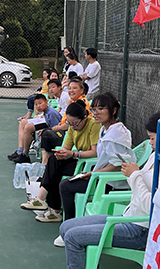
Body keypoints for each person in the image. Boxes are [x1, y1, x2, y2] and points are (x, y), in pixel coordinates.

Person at [58, 111, 160, 269]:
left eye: (153, 138)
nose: (150, 143)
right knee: (66, 227)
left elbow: (151, 207)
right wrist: (132, 174)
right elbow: (140, 187)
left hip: (140, 229)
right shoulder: (157, 156)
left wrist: (134, 175)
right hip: (128, 217)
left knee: (73, 237)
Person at [55, 92, 135, 223]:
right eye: (94, 109)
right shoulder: (105, 129)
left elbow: (118, 165)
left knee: (65, 186)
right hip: (101, 176)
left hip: (110, 183)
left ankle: (69, 223)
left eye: (101, 109)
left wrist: (93, 174)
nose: (96, 113)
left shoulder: (114, 134)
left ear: (113, 110)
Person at [22, 101, 100, 221]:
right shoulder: (72, 128)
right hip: (79, 160)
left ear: (84, 118)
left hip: (89, 165)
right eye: (69, 123)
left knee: (55, 168)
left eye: (75, 123)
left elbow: (95, 152)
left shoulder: (93, 125)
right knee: (55, 159)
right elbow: (66, 148)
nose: (72, 126)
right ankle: (47, 204)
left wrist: (74, 154)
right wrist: (61, 153)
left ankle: (50, 206)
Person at [38, 77, 89, 155]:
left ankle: (47, 159)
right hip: (66, 131)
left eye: (74, 88)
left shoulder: (80, 104)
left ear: (82, 90)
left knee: (47, 134)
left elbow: (70, 125)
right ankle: (45, 159)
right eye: (69, 88)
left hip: (73, 135)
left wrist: (56, 128)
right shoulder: (72, 101)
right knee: (45, 131)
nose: (71, 91)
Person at [8, 94, 63, 164]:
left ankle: (25, 155)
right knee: (25, 124)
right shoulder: (46, 112)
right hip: (50, 130)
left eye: (40, 103)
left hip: (58, 135)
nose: (38, 106)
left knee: (30, 128)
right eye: (36, 104)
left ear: (46, 101)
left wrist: (44, 130)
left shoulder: (51, 113)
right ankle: (22, 152)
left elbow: (57, 128)